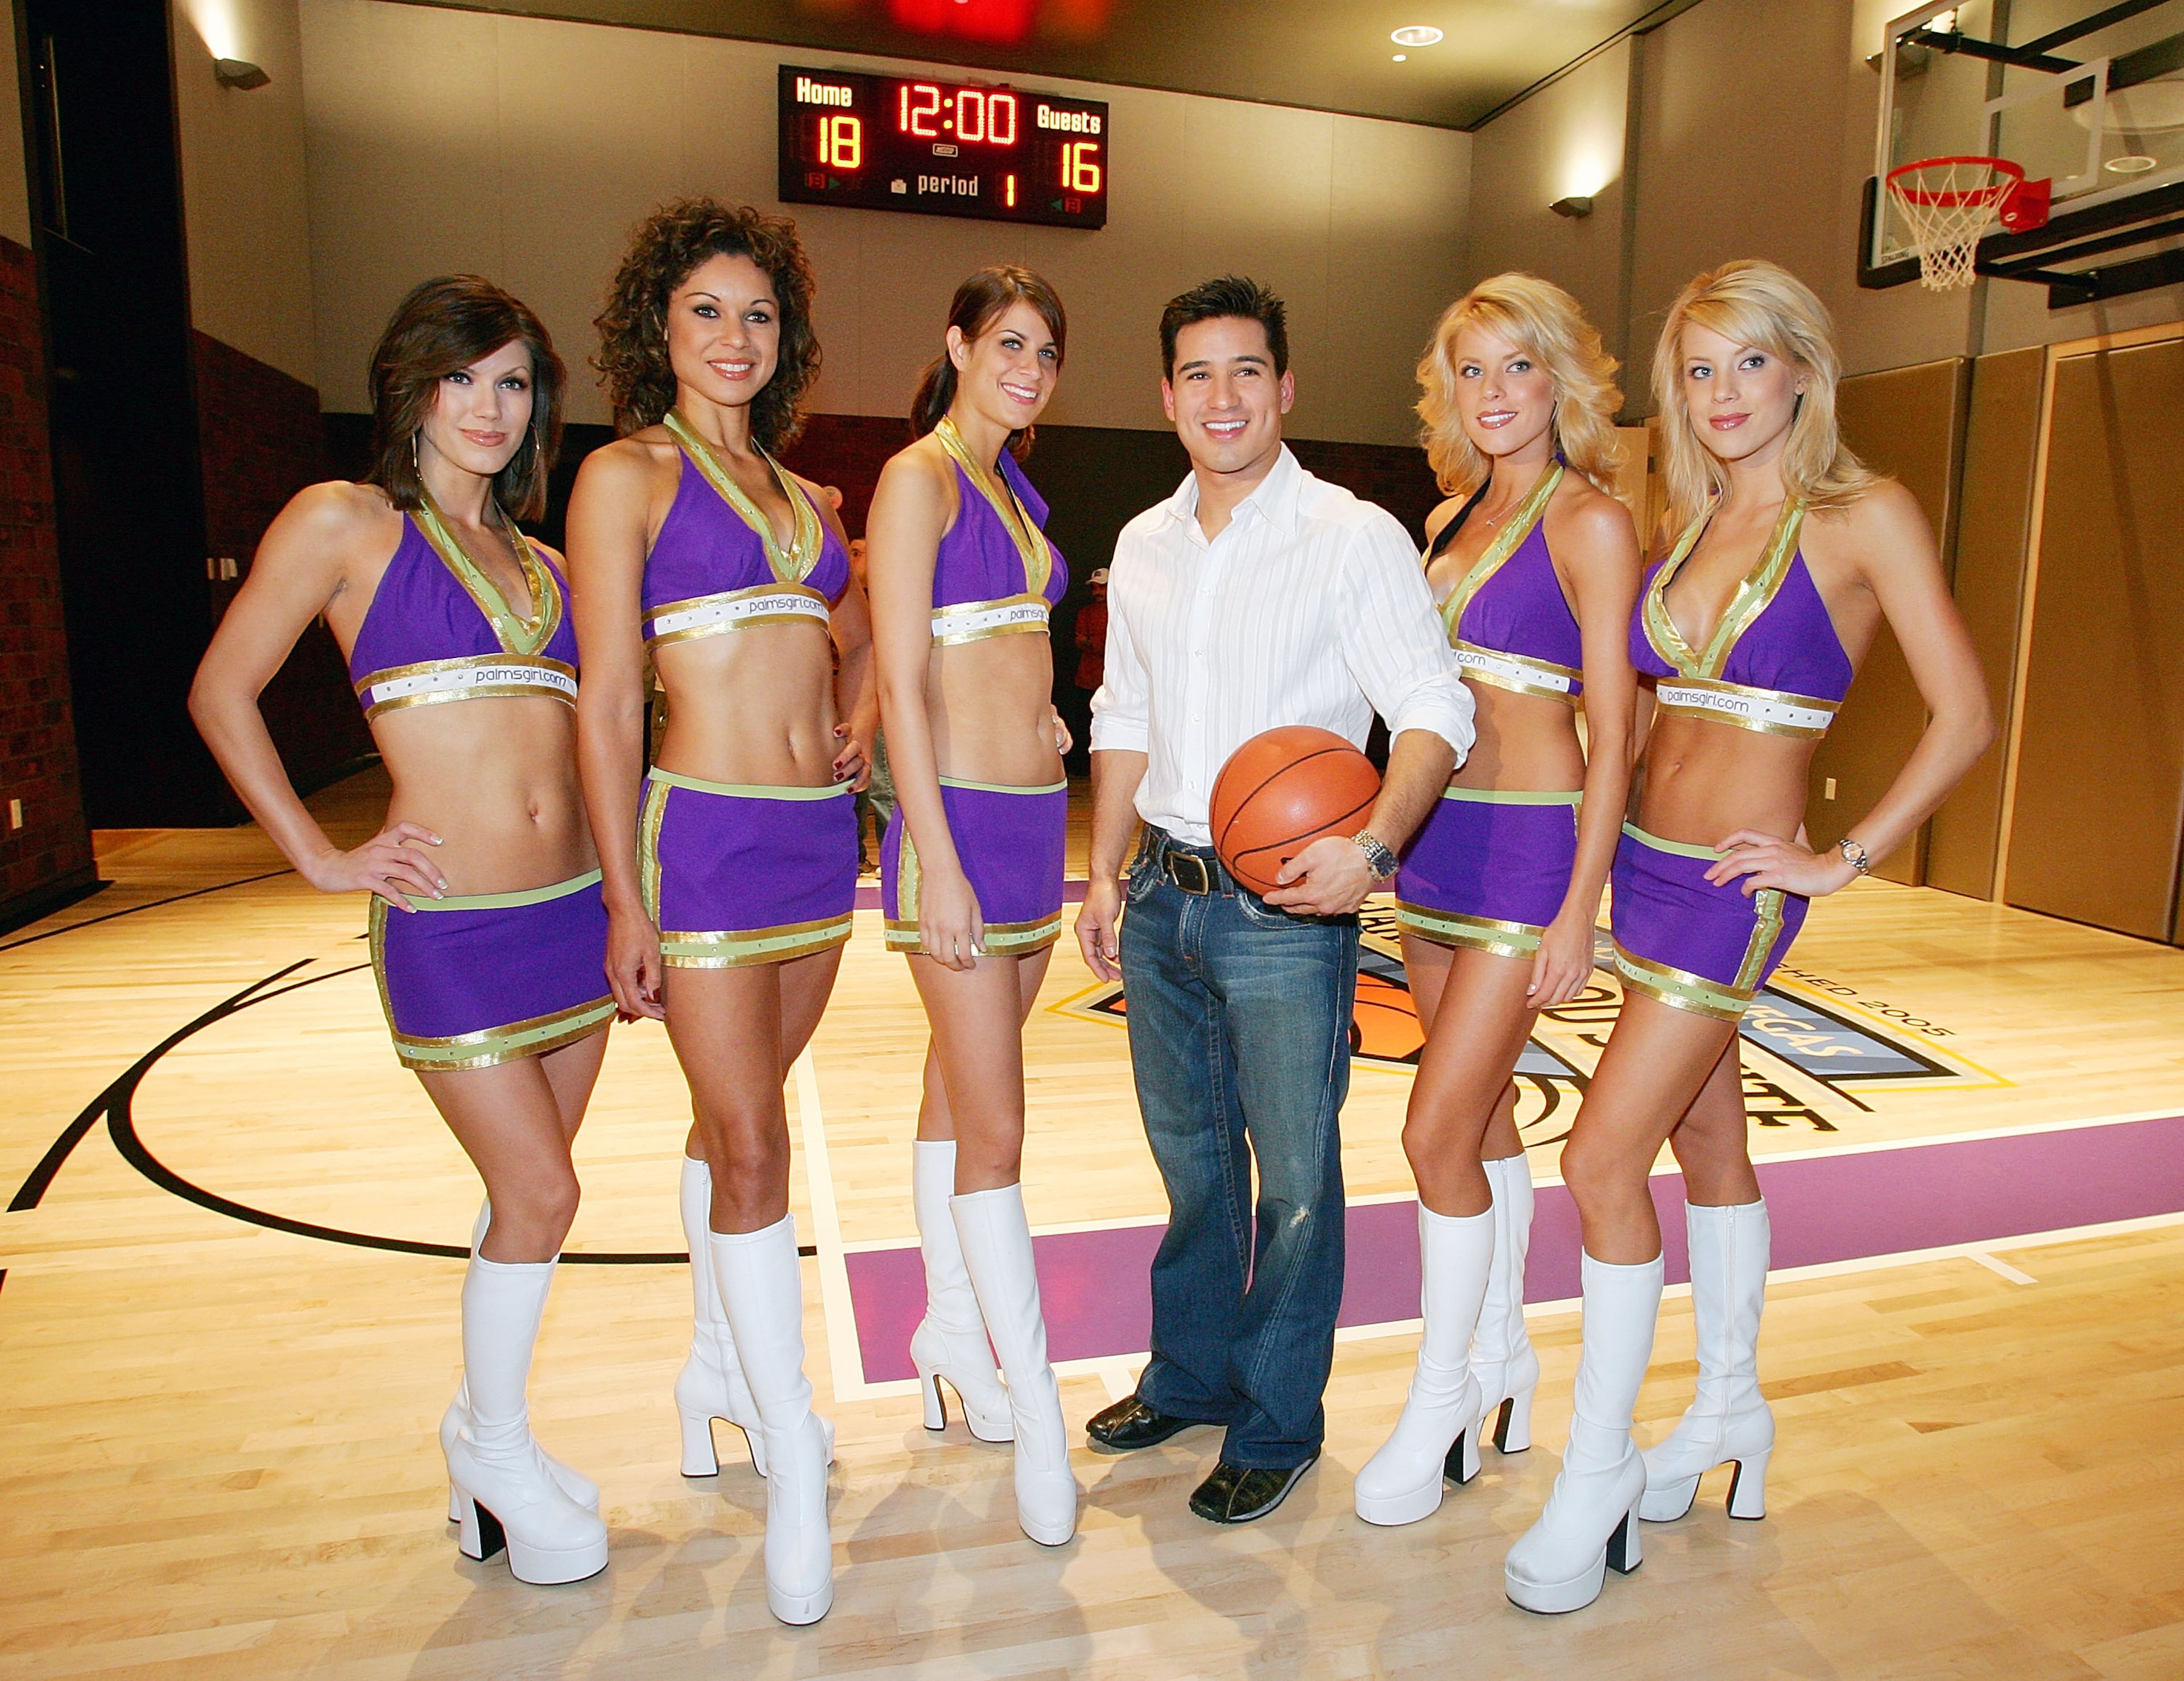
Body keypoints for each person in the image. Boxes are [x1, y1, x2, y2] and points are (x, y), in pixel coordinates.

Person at [1503, 260, 1993, 1614]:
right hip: (1648, 873)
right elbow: (1653, 723)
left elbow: (1965, 711)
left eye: (1749, 364)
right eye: (1700, 371)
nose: (1724, 395)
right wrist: (1593, 874)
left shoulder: (1863, 514)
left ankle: (1596, 1470)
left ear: (1801, 370)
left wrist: (1840, 858)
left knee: (1600, 1156)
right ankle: (1728, 1411)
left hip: (1734, 891)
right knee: (1704, 1136)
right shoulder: (1694, 513)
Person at [189, 276, 611, 1585]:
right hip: (456, 932)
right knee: (547, 1192)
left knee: (523, 1202)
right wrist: (320, 853)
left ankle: (482, 1444)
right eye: (463, 378)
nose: (490, 408)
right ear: (411, 386)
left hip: (578, 925)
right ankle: (491, 1441)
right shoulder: (347, 523)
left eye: (514, 383)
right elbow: (221, 688)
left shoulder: (549, 565)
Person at [1076, 276, 1475, 1524]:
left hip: (1289, 910)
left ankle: (1277, 1419)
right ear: (1167, 396)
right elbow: (1125, 717)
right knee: (1195, 1168)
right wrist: (1105, 866)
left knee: (1296, 1179)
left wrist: (1376, 845)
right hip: (1161, 895)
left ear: (1285, 386)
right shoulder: (1142, 543)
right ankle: (1191, 1376)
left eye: (1246, 369)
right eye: (1198, 374)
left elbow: (1433, 706)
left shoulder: (1351, 535)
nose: (1223, 395)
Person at [568, 199, 873, 1626]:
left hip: (820, 852)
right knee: (752, 1142)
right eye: (707, 311)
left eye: (758, 314)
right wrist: (622, 891)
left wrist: (860, 715)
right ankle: (794, 1443)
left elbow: (860, 632)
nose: (735, 337)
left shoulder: (813, 503)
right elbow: (612, 698)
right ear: (659, 325)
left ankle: (712, 1372)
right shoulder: (624, 477)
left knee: (733, 1121)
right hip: (699, 850)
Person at [1355, 275, 1640, 1527]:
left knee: (1430, 1134)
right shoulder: (1447, 513)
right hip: (1435, 848)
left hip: (1529, 851)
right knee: (1476, 1129)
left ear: (1559, 380)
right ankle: (1510, 1359)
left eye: (1517, 367)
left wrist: (1585, 902)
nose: (1493, 393)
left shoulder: (1592, 522)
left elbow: (1619, 734)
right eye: (1470, 370)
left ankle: (1443, 1392)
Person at [865, 266, 1078, 1547]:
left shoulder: (1020, 489)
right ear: (956, 343)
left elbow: (999, 651)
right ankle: (1040, 1409)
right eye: (1009, 342)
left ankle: (948, 1326)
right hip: (953, 836)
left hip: (1032, 827)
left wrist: (1040, 710)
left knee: (957, 1095)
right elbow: (897, 677)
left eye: (1047, 351)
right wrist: (931, 855)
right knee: (998, 1128)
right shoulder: (920, 477)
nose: (1030, 366)